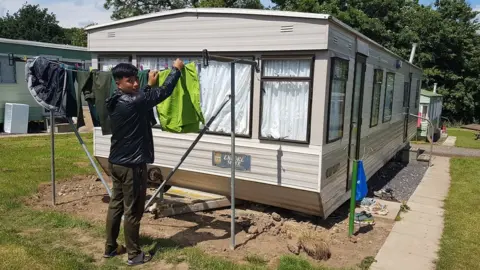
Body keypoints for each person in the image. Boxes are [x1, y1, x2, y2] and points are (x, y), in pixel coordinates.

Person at [103, 59, 184, 266]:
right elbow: (162, 93)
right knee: (133, 211)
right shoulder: (134, 101)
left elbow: (142, 98)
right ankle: (134, 255)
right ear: (118, 83)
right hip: (132, 166)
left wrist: (147, 85)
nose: (135, 84)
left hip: (117, 162)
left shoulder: (114, 99)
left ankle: (111, 248)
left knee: (116, 205)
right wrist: (176, 70)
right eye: (130, 81)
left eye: (136, 80)